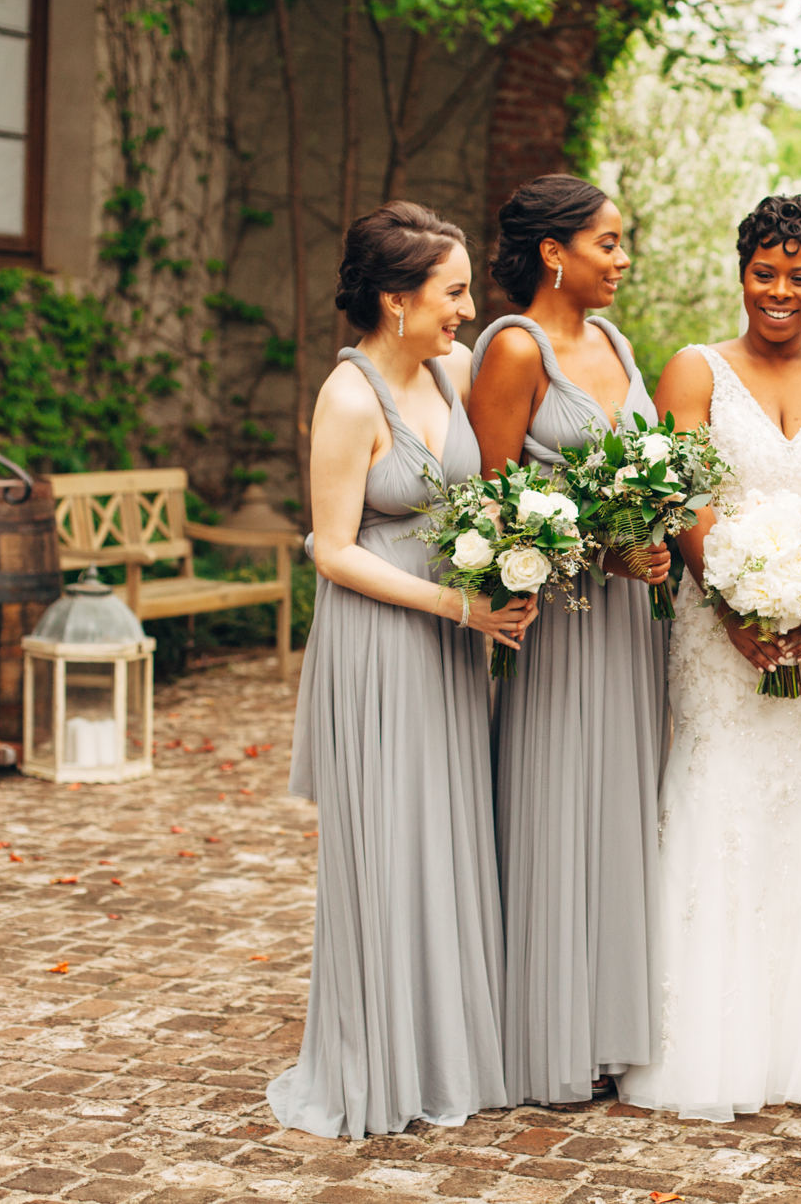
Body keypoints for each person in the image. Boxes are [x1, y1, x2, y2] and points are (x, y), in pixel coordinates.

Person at [619, 195, 801, 1122]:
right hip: (717, 632)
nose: (780, 291)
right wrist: (734, 606)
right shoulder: (694, 370)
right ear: (741, 274)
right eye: (765, 272)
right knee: (723, 795)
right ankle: (708, 1039)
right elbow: (683, 497)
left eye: (799, 276)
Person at [268, 202, 536, 1136]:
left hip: (451, 639)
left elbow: (484, 486)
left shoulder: (450, 372)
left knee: (447, 838)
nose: (468, 310)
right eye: (453, 292)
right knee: (388, 845)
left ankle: (442, 1053)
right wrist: (457, 605)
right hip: (382, 641)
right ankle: (374, 1063)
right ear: (396, 299)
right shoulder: (349, 399)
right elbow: (333, 549)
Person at [468, 174, 670, 1108]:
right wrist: (599, 548)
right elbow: (489, 508)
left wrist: (653, 534)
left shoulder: (617, 343)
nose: (622, 260)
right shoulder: (515, 348)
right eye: (608, 243)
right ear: (554, 252)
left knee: (620, 803)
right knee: (559, 801)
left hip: (629, 622)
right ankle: (551, 1031)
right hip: (559, 620)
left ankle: (609, 1021)